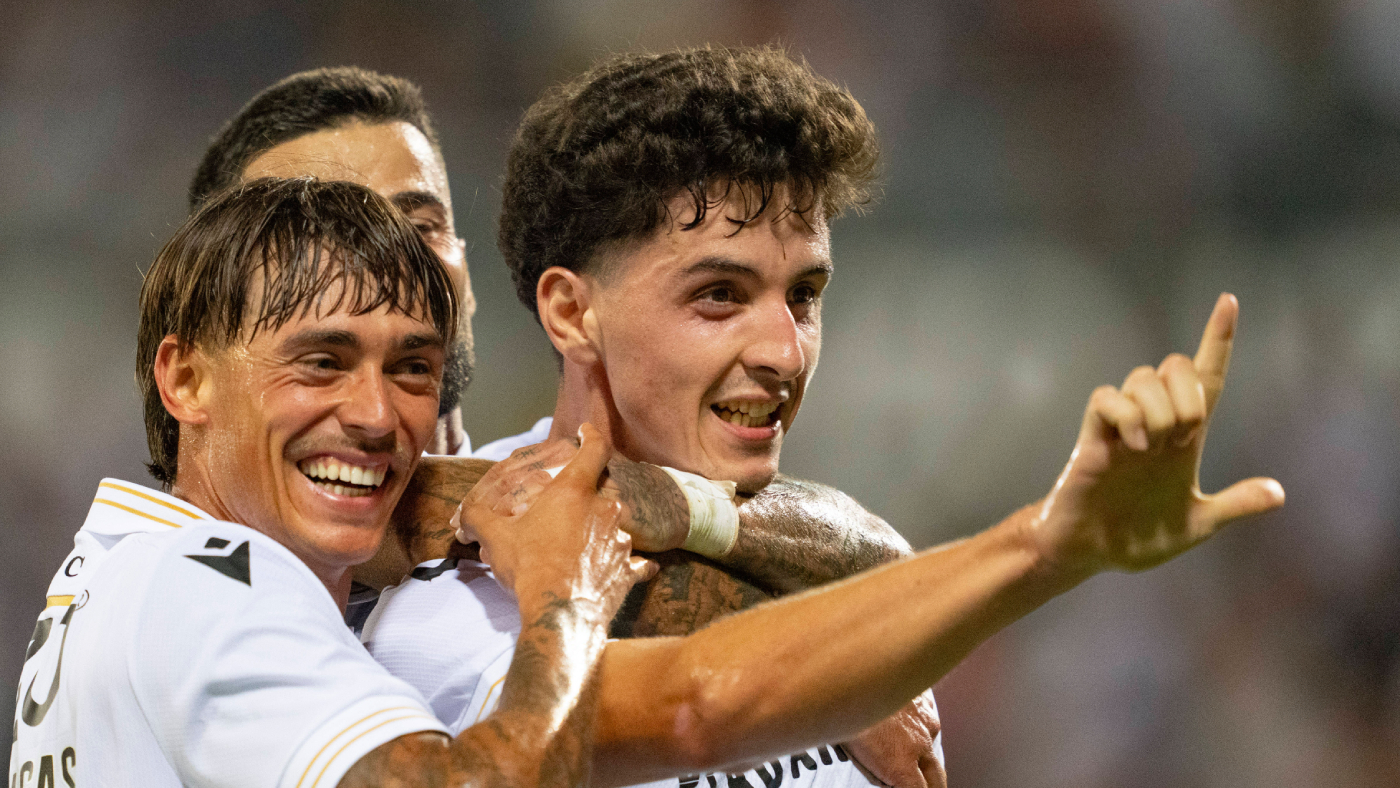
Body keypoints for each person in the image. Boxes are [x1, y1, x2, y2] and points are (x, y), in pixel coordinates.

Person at [360, 45, 1283, 788]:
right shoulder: (449, 613)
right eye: (719, 295)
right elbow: (694, 709)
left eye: (803, 296)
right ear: (572, 312)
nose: (785, 351)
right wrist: (1049, 545)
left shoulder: (839, 589)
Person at [190, 66, 943, 784]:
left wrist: (676, 510)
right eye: (321, 234)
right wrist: (823, 670)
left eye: (415, 226)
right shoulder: (251, 608)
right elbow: (689, 705)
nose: (382, 270)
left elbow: (872, 551)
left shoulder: (586, 494)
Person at [9, 177, 656, 786]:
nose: (377, 416)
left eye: (412, 368)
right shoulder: (210, 583)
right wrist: (566, 599)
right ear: (186, 380)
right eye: (322, 362)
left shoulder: (117, 577)